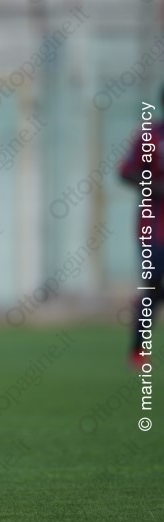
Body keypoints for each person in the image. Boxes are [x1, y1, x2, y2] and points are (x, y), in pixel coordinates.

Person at [119, 88, 164, 369]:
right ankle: (137, 349)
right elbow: (126, 172)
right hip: (154, 227)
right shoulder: (150, 136)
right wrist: (154, 186)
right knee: (153, 286)